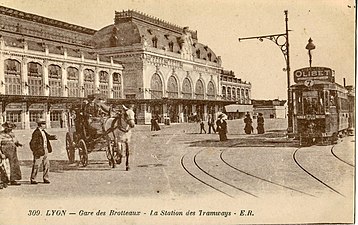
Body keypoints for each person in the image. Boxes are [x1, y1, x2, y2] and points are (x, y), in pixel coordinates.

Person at [29, 118, 57, 184]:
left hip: (45, 150)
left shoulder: (43, 131)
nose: (45, 125)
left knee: (47, 165)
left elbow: (48, 137)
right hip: (39, 151)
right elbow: (32, 143)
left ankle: (45, 178)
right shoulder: (36, 132)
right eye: (44, 124)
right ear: (40, 125)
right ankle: (33, 179)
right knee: (36, 165)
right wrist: (35, 151)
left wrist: (53, 137)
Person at [0, 121, 22, 185]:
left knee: (14, 165)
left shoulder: (12, 133)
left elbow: (15, 141)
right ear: (5, 128)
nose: (10, 129)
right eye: (8, 128)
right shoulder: (1, 134)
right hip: (4, 151)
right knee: (4, 166)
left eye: (11, 128)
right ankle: (4, 180)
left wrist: (18, 144)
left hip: (12, 151)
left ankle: (13, 180)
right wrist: (1, 154)